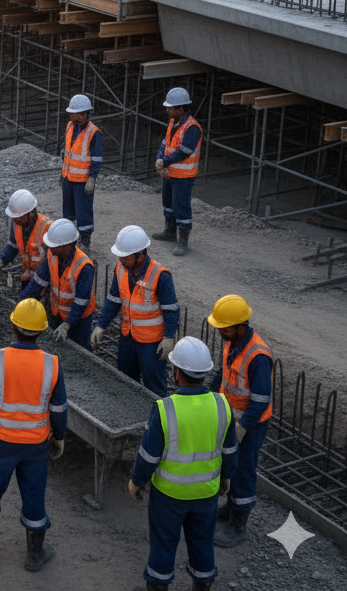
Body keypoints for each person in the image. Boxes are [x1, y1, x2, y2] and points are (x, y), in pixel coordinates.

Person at [0, 297, 66, 570]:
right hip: (35, 445)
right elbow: (58, 407)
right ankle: (35, 555)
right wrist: (60, 436)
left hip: (1, 442)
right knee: (34, 495)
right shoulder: (52, 364)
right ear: (42, 331)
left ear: (12, 326)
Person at [128, 336, 237, 591]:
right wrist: (227, 476)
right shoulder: (222, 405)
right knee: (202, 543)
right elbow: (230, 448)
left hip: (169, 496)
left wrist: (137, 480)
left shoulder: (165, 409)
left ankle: (158, 585)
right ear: (205, 373)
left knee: (164, 544)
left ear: (176, 372)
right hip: (206, 494)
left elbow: (148, 456)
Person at [206, 294, 272, 549]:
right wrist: (209, 391)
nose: (220, 331)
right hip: (231, 419)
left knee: (243, 471)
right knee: (229, 464)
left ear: (240, 325)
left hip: (251, 425)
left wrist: (244, 427)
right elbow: (224, 373)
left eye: (225, 327)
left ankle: (238, 526)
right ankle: (232, 507)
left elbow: (260, 399)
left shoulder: (258, 356)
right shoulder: (232, 341)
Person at [90, 226, 178, 397]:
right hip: (127, 336)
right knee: (126, 380)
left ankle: (156, 420)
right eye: (120, 256)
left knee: (154, 386)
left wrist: (168, 338)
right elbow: (114, 299)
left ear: (141, 256)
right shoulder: (121, 268)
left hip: (151, 342)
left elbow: (171, 310)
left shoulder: (160, 275)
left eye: (125, 257)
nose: (121, 260)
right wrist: (101, 325)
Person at [20, 218, 96, 349]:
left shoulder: (84, 266)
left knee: (80, 351)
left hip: (79, 320)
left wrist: (68, 324)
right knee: (55, 347)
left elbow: (81, 301)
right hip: (56, 312)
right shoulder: (52, 254)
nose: (51, 248)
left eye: (55, 246)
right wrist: (21, 303)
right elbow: (38, 282)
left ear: (68, 246)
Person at [153, 87, 202, 257]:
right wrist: (161, 158)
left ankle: (183, 241)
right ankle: (170, 231)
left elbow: (184, 151)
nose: (167, 110)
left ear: (180, 108)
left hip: (183, 176)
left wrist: (164, 161)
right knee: (168, 203)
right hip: (170, 173)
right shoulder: (173, 123)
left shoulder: (192, 127)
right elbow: (166, 143)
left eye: (170, 108)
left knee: (181, 207)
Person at [60, 94, 101, 253]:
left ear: (87, 114)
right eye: (72, 115)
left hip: (83, 180)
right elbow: (68, 152)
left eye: (79, 115)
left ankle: (85, 242)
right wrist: (62, 171)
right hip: (68, 177)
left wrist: (92, 177)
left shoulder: (94, 132)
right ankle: (68, 239)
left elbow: (97, 158)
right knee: (68, 211)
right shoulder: (70, 126)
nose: (75, 118)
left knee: (84, 212)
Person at [0, 189, 51, 288]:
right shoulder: (17, 223)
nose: (15, 220)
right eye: (14, 217)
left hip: (46, 279)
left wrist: (34, 274)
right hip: (27, 276)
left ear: (30, 213)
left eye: (19, 217)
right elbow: (13, 246)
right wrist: (0, 261)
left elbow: (52, 262)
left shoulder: (47, 227)